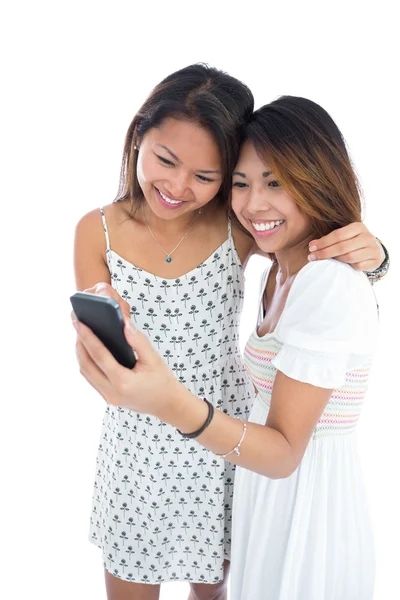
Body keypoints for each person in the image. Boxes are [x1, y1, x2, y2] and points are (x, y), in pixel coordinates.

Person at [74, 64, 387, 600]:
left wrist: (377, 259)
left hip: (227, 436)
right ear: (136, 139)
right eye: (165, 160)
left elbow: (304, 234)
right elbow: (99, 343)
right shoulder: (95, 229)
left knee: (220, 589)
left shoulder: (235, 223)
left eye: (206, 175)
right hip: (136, 446)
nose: (177, 186)